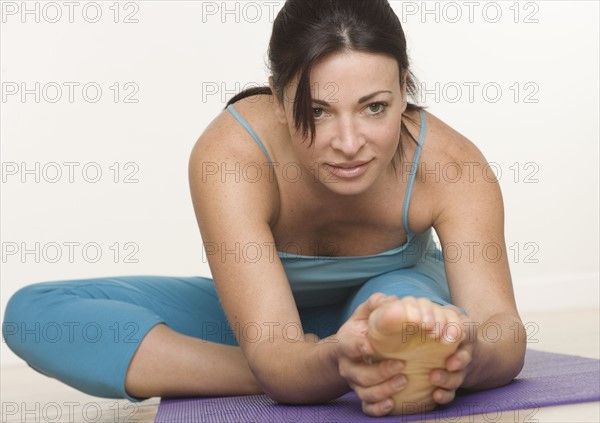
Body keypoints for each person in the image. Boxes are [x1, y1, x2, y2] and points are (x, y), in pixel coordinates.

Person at [3, 0, 526, 417]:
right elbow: (275, 346)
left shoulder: (451, 163)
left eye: (374, 107)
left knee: (398, 309)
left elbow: (501, 327)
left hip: (395, 296)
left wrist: (465, 358)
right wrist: (318, 361)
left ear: (403, 87)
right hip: (261, 323)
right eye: (317, 110)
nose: (349, 142)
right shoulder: (230, 155)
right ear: (279, 98)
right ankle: (357, 365)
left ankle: (377, 348)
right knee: (34, 314)